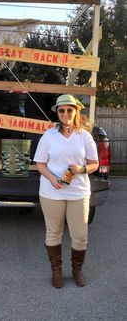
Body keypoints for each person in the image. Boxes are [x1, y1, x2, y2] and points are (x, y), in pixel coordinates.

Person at [34, 94, 99, 288]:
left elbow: (95, 163)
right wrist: (52, 178)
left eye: (69, 110)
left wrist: (82, 169)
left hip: (78, 192)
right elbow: (40, 163)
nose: (65, 113)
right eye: (61, 110)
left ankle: (77, 270)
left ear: (76, 112)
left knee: (80, 236)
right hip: (52, 191)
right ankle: (56, 271)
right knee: (53, 233)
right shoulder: (49, 135)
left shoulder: (84, 136)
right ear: (57, 113)